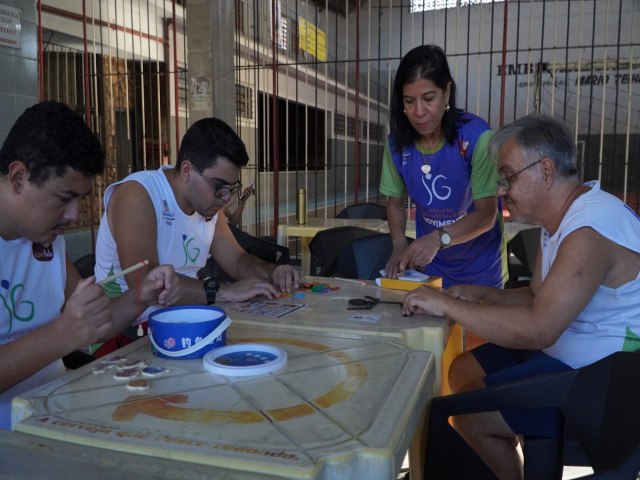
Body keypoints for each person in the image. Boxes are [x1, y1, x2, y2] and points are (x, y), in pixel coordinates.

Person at [402, 114, 640, 479]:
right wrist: (477, 295)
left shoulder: (589, 228)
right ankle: (506, 452)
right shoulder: (560, 218)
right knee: (462, 369)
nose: (502, 189)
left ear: (545, 171)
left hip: (604, 380)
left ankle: (507, 444)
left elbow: (539, 329)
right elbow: (535, 295)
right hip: (567, 347)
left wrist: (449, 304)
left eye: (509, 176)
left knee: (466, 413)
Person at [0, 101, 180, 429]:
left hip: (54, 417)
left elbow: (95, 322)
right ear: (18, 178)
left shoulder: (47, 241)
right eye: (63, 198)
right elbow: (70, 332)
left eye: (79, 200)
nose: (72, 215)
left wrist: (145, 293)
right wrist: (63, 334)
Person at [94, 117, 303, 326]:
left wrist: (273, 272)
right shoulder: (139, 194)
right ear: (187, 171)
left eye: (231, 188)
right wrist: (226, 291)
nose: (226, 198)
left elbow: (237, 260)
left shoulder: (207, 206)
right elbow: (148, 285)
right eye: (219, 185)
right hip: (125, 333)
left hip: (186, 321)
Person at [380, 44, 506, 289]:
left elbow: (486, 215)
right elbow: (394, 202)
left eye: (428, 98)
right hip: (431, 266)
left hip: (481, 268)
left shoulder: (477, 137)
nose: (419, 112)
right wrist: (398, 245)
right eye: (409, 101)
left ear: (446, 92)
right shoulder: (397, 145)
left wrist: (438, 239)